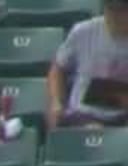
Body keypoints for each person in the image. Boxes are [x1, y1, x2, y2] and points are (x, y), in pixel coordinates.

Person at [48, 0, 128, 129]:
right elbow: (58, 69)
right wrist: (56, 102)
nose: (114, 16)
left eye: (121, 10)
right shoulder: (83, 31)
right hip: (82, 115)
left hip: (123, 119)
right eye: (110, 9)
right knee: (91, 129)